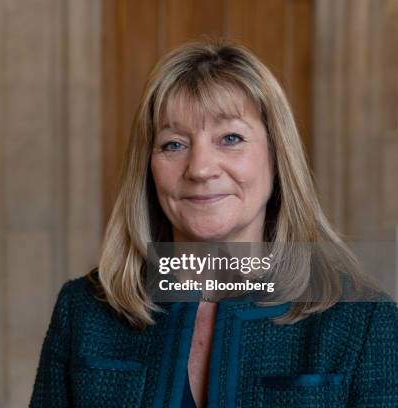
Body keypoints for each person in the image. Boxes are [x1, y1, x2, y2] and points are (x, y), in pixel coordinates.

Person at [29, 41, 397, 407]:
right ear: (148, 168)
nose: (201, 169)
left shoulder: (363, 321)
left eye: (231, 138)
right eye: (173, 144)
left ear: (276, 157)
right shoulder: (83, 311)